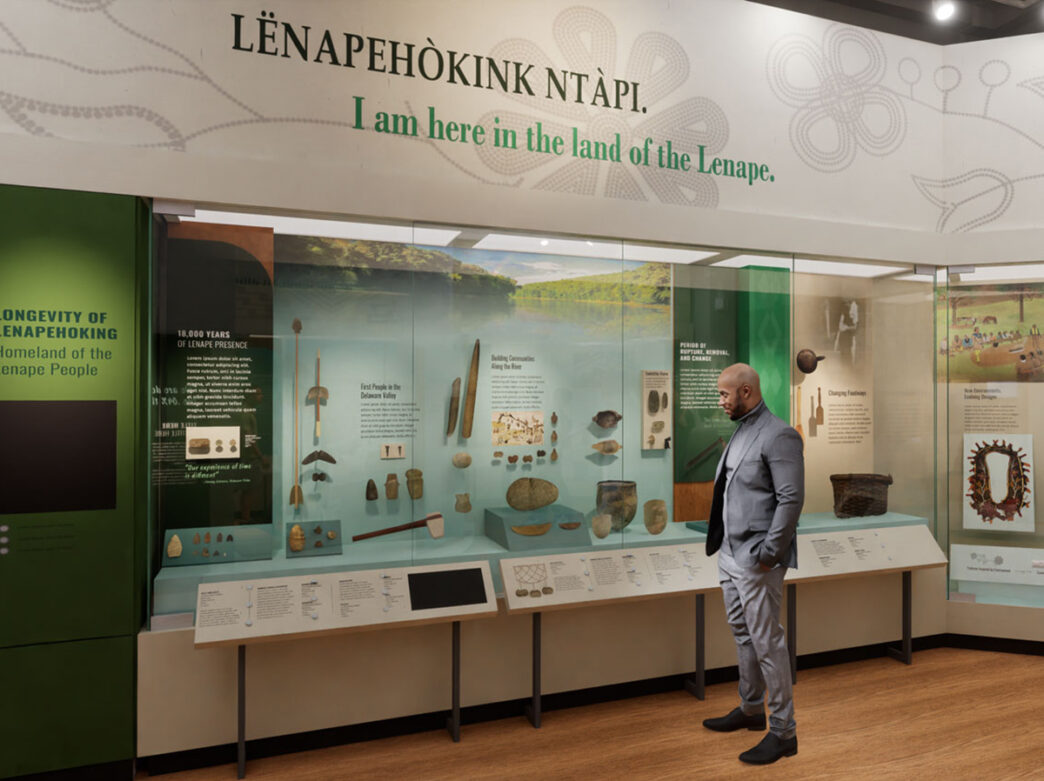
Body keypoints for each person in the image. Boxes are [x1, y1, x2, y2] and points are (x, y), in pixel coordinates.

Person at [702, 363, 804, 765]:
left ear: (745, 391)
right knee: (744, 636)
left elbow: (791, 499)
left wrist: (769, 554)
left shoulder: (779, 434)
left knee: (767, 643)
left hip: (756, 560)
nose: (720, 401)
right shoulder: (743, 429)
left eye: (724, 395)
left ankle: (784, 732)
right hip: (730, 555)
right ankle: (749, 710)